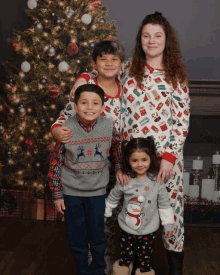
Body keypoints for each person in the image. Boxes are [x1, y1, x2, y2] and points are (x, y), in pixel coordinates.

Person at [74, 11, 190, 275]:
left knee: (170, 212)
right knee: (122, 208)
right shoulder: (128, 68)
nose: (151, 41)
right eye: (146, 35)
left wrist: (170, 157)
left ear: (166, 40)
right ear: (140, 40)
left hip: (164, 161)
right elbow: (103, 70)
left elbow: (181, 120)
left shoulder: (176, 76)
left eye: (157, 36)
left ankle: (175, 269)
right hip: (129, 157)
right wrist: (83, 76)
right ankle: (118, 263)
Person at [48, 84, 124, 275]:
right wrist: (57, 195)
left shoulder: (108, 126)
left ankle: (98, 269)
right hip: (71, 194)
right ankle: (82, 270)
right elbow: (56, 163)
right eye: (84, 102)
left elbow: (119, 145)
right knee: (76, 236)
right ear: (75, 105)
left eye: (95, 103)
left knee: (98, 235)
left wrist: (121, 167)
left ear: (102, 107)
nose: (89, 107)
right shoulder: (66, 129)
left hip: (97, 193)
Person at [104, 137, 174, 275]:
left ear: (151, 159)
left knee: (145, 261)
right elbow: (113, 196)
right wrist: (105, 213)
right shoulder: (125, 180)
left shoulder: (157, 181)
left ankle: (144, 271)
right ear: (128, 161)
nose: (139, 164)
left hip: (148, 230)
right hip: (126, 229)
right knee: (124, 258)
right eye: (134, 160)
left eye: (144, 160)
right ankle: (122, 270)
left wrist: (169, 224)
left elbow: (164, 204)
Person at [51, 40, 125, 143]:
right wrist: (55, 130)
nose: (109, 63)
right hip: (91, 150)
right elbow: (68, 114)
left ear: (121, 64)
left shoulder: (124, 85)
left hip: (118, 151)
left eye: (114, 59)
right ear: (94, 64)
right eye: (103, 59)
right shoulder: (84, 87)